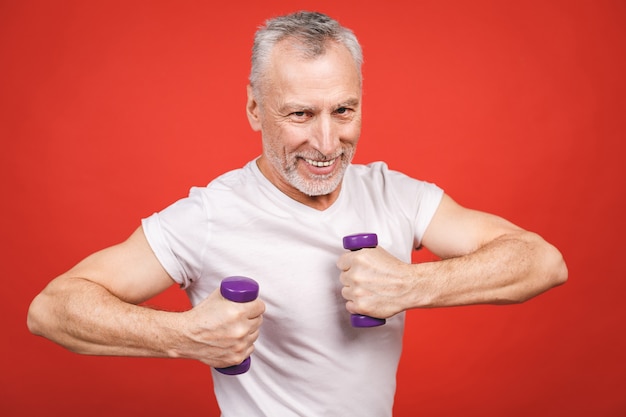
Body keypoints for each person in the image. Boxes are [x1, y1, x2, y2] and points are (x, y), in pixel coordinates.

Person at [27, 11, 568, 417]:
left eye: (344, 110)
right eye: (300, 114)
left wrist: (415, 284)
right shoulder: (210, 215)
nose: (327, 142)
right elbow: (52, 309)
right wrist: (181, 334)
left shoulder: (395, 195)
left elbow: (541, 261)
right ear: (255, 109)